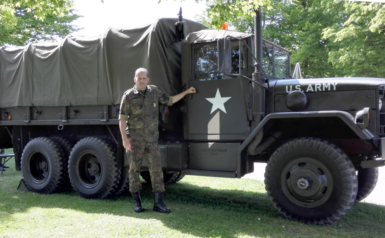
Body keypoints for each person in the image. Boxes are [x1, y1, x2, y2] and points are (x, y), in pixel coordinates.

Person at [119, 67, 196, 213]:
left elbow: (170, 100)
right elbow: (122, 119)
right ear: (135, 79)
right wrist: (125, 139)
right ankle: (137, 203)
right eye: (139, 78)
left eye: (144, 78)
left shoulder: (154, 92)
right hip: (135, 140)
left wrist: (186, 92)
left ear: (148, 80)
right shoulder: (128, 96)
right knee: (134, 170)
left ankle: (158, 203)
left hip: (152, 140)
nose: (141, 80)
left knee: (156, 171)